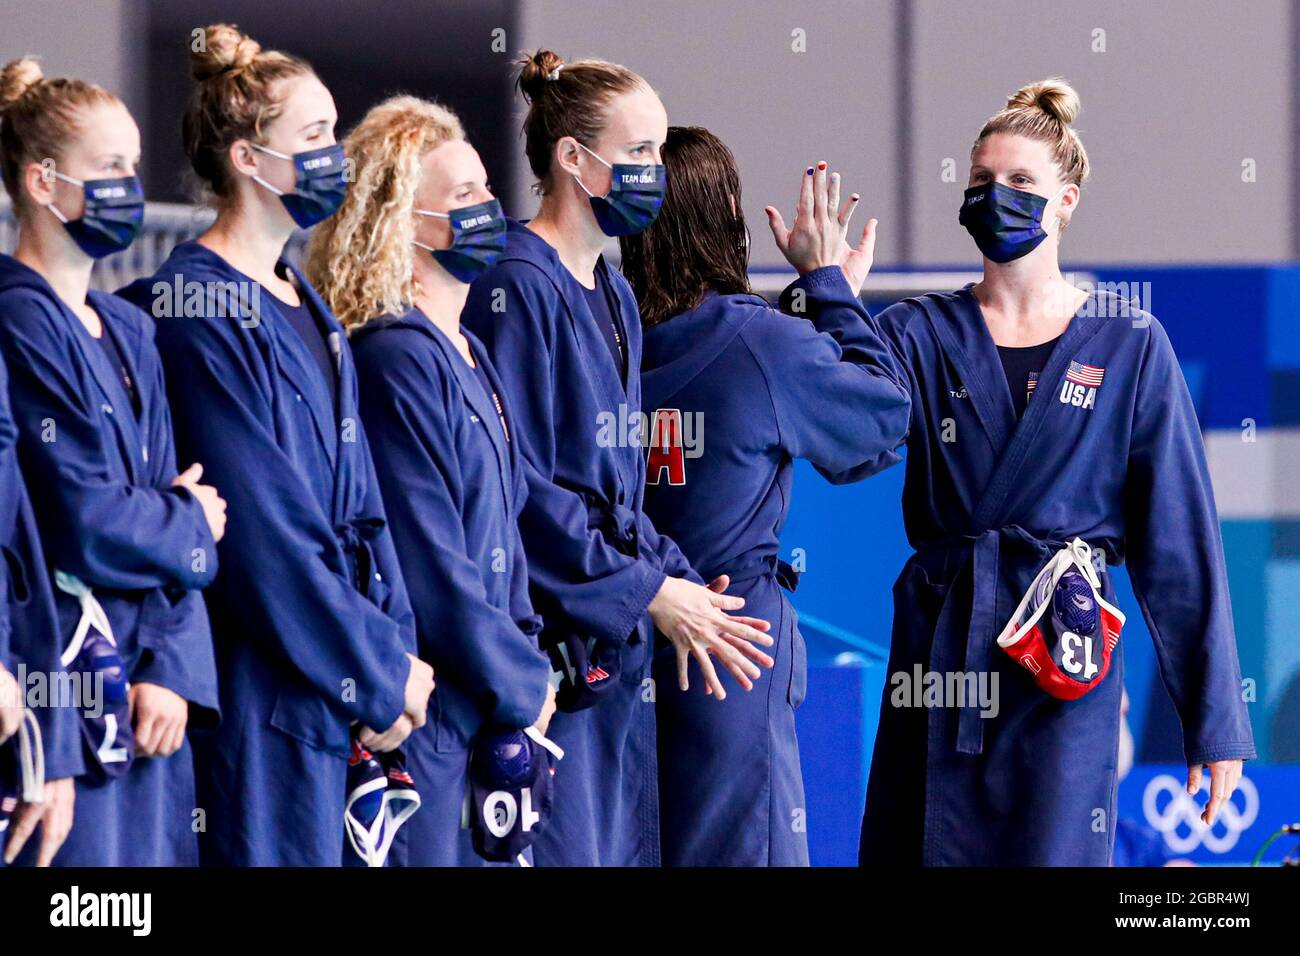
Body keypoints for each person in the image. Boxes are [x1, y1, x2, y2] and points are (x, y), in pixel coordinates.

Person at [858, 78, 1255, 866]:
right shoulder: (914, 331)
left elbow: (1179, 546)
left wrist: (1214, 724)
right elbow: (844, 435)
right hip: (944, 651)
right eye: (979, 182)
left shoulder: (1130, 343)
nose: (992, 196)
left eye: (1019, 184)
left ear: (1065, 201)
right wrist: (831, 298)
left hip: (1061, 655)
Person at [117, 24, 433, 866]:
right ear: (250, 161)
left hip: (342, 686)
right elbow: (264, 537)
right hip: (263, 687)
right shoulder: (191, 311)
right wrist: (374, 668)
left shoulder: (309, 305)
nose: (337, 155)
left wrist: (397, 655)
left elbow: (364, 508)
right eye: (315, 138)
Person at [461, 50, 775, 867]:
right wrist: (646, 591)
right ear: (573, 157)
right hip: (550, 655)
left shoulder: (615, 295)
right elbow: (517, 487)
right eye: (638, 154)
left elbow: (621, 493)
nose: (655, 174)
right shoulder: (513, 286)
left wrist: (678, 582)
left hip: (613, 655)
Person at [621, 129, 910, 865]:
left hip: (618, 655)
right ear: (724, 213)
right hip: (734, 662)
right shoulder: (762, 343)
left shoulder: (600, 341)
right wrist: (830, 289)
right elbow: (881, 418)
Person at [305, 95, 556, 866]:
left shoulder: (470, 352)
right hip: (435, 722)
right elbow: (432, 565)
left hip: (493, 717)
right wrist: (524, 683)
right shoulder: (397, 359)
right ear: (408, 225)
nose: (491, 209)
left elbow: (506, 535)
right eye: (466, 197)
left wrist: (530, 676)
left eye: (486, 187)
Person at [0, 57, 224, 865]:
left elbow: (171, 507)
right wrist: (189, 520)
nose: (131, 184)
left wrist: (171, 663)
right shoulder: (17, 321)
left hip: (152, 701)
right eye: (110, 169)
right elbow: (79, 520)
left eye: (135, 165)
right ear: (42, 182)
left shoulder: (129, 331)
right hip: (71, 683)